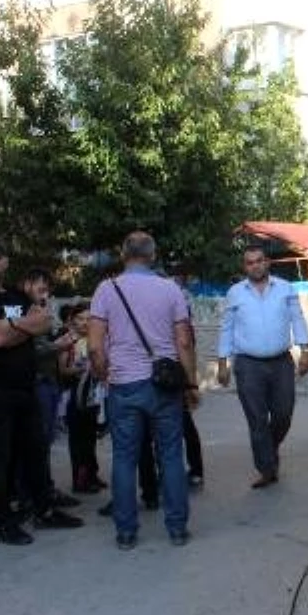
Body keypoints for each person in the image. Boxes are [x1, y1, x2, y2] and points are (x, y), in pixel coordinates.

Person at [0, 238, 84, 545]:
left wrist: (10, 326)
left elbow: (44, 322)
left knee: (36, 454)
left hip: (25, 391)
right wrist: (22, 326)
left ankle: (44, 510)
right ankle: (1, 523)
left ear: (6, 262)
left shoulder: (15, 295)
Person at [88, 231, 198, 550]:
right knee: (171, 456)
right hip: (164, 385)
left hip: (123, 385)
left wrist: (103, 373)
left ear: (124, 254)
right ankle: (177, 529)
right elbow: (185, 341)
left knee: (124, 458)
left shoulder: (106, 290)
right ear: (152, 255)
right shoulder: (171, 289)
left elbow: (95, 346)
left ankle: (125, 532)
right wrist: (190, 383)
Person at [216, 245, 308, 488]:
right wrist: (222, 363)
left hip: (281, 362)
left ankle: (269, 448)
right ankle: (267, 469)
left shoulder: (285, 288)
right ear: (244, 267)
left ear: (267, 262)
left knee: (284, 413)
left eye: (259, 260)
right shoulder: (235, 293)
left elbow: (297, 318)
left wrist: (305, 350)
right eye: (249, 262)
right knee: (257, 420)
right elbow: (226, 328)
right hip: (248, 365)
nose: (255, 265)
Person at [20, 267, 81, 508]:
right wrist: (59, 346)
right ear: (26, 285)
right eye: (39, 286)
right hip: (38, 383)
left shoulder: (44, 310)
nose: (44, 291)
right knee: (37, 442)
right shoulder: (25, 312)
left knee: (45, 440)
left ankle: (44, 489)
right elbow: (31, 350)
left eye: (47, 287)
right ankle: (33, 495)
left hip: (50, 381)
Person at [60, 301, 106, 494]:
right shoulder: (67, 340)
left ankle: (92, 475)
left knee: (90, 437)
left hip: (94, 396)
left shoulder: (97, 339)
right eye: (80, 318)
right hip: (75, 397)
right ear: (72, 320)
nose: (85, 323)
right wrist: (78, 369)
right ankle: (80, 481)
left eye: (89, 318)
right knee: (79, 440)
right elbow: (62, 369)